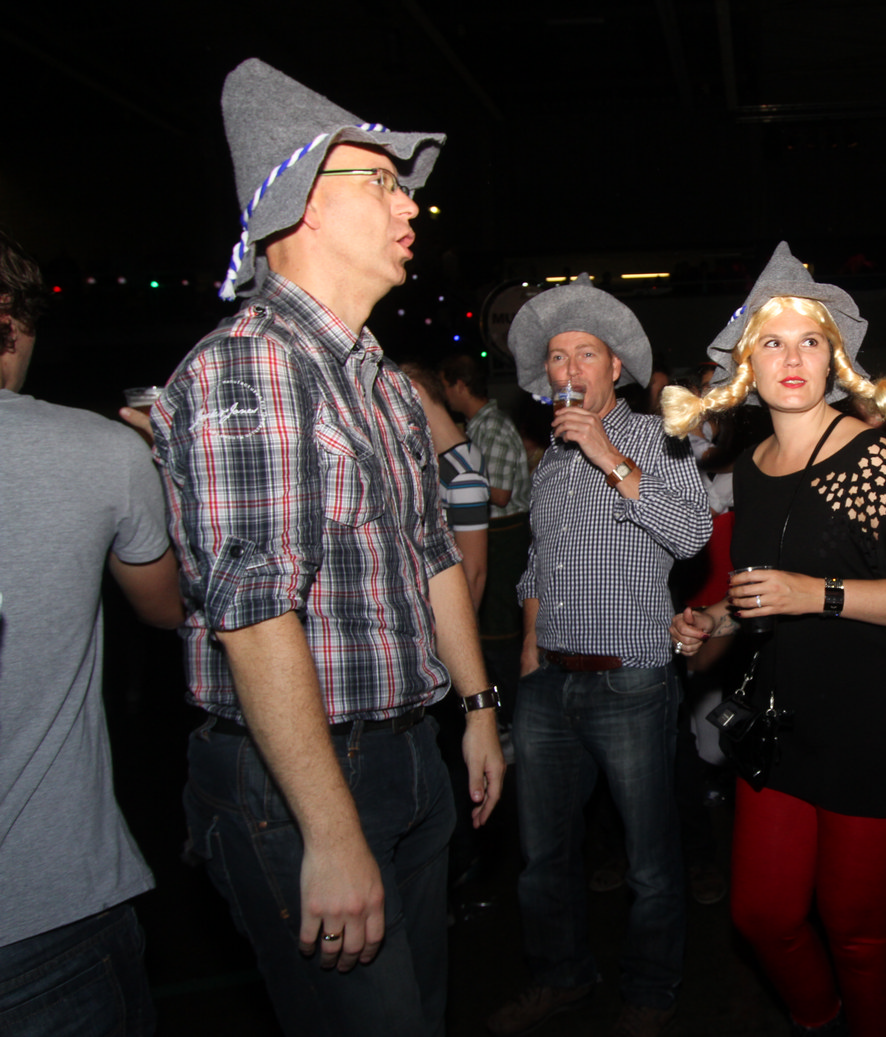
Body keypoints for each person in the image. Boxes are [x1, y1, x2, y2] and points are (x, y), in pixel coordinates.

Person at [152, 59, 505, 1037]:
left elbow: (434, 555)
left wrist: (477, 708)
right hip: (303, 777)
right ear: (304, 202)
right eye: (382, 181)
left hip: (406, 754)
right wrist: (331, 828)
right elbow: (255, 612)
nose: (409, 205)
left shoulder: (383, 382)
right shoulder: (252, 365)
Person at [664, 243, 886, 1037]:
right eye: (771, 341)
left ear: (834, 358)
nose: (791, 359)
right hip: (784, 722)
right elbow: (768, 587)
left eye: (808, 341)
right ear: (745, 365)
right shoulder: (753, 465)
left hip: (875, 726)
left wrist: (815, 594)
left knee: (855, 930)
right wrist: (717, 616)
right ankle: (817, 1018)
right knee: (761, 914)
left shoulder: (869, 460)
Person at [489, 273, 709, 1037]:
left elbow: (693, 534)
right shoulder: (549, 461)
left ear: (615, 366)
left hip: (632, 681)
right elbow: (536, 565)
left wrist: (608, 453)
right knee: (543, 859)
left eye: (586, 352)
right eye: (557, 356)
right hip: (548, 683)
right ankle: (561, 977)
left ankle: (650, 991)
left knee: (649, 862)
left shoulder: (657, 438)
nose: (570, 367)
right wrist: (528, 648)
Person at [0, 229, 182, 1036]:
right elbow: (168, 606)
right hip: (43, 910)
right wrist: (162, 468)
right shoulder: (99, 451)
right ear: (12, 320)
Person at [440, 354, 531, 676]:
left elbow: (501, 494)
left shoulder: (492, 427)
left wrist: (453, 480)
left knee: (500, 635)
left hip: (505, 537)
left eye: (445, 387)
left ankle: (505, 700)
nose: (444, 396)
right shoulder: (479, 426)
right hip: (495, 535)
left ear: (460, 385)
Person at [403, 361, 490, 611]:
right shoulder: (447, 458)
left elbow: (474, 573)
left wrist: (461, 632)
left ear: (414, 391)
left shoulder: (462, 472)